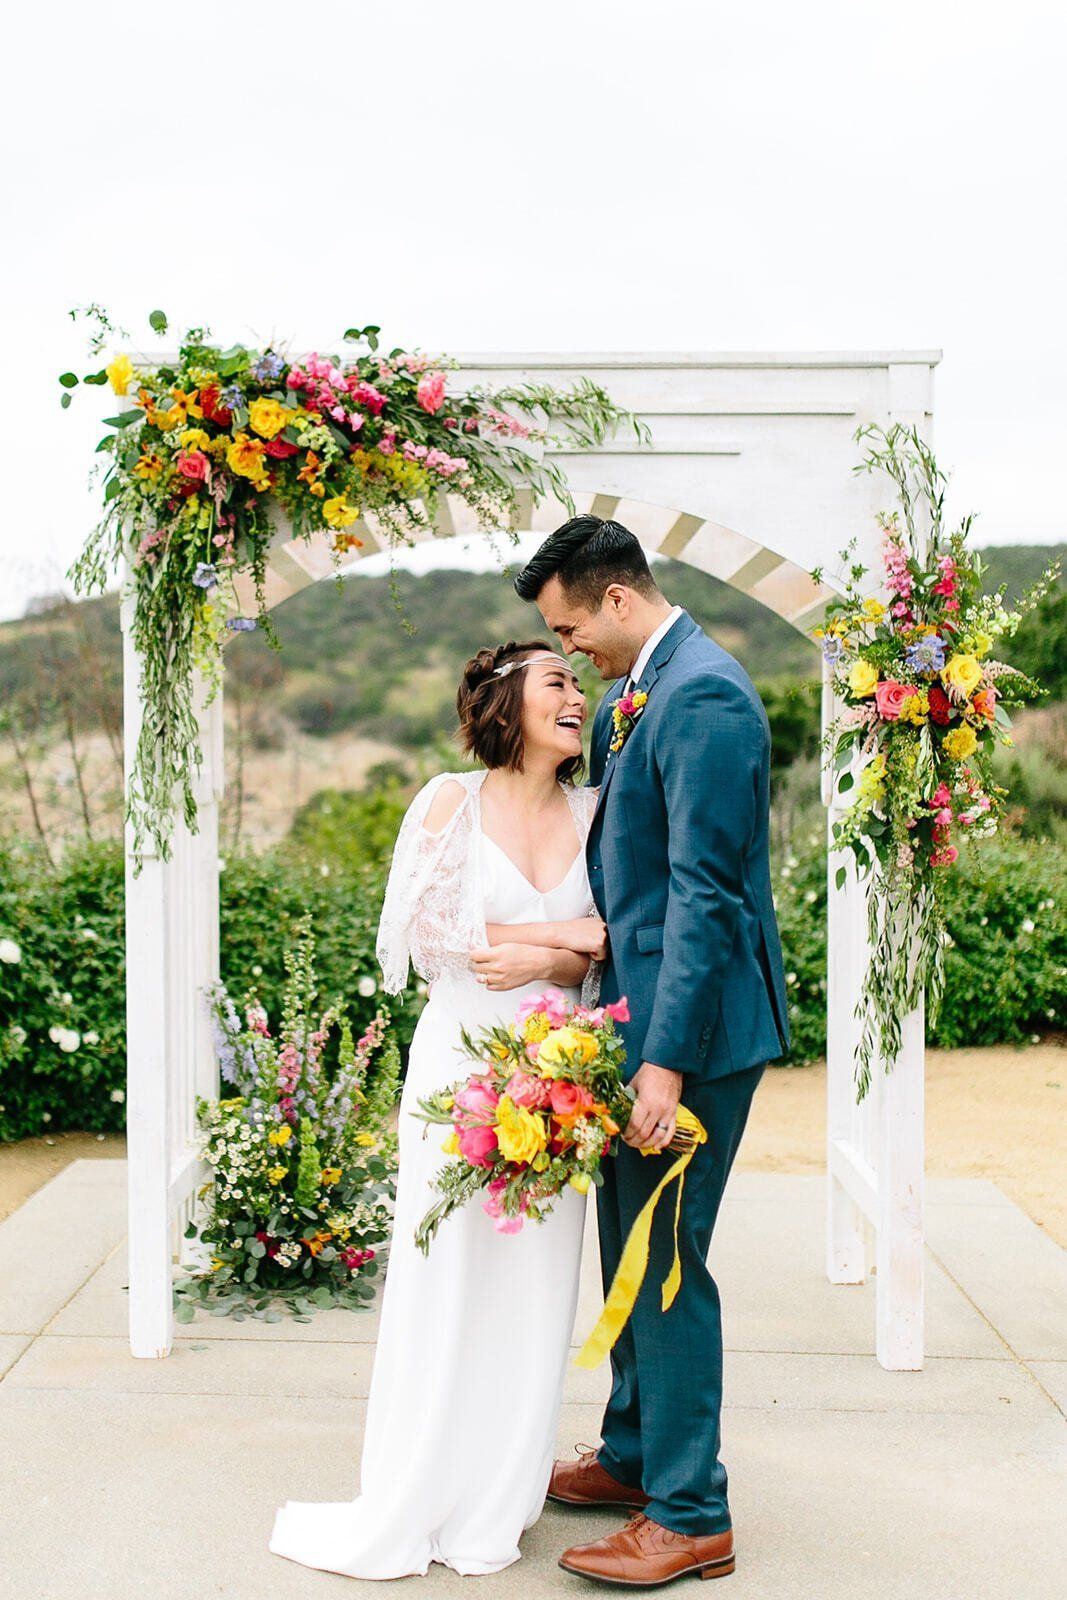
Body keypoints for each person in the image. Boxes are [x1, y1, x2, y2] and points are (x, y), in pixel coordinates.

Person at [268, 639, 609, 1579]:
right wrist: (560, 933)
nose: (576, 697)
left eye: (579, 683)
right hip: (459, 1064)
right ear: (504, 702)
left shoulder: (597, 809)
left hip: (562, 1070)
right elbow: (423, 935)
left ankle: (498, 1499)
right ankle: (418, 1487)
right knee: (448, 1272)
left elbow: (612, 946)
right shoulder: (446, 801)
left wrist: (556, 957)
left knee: (536, 1285)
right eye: (555, 682)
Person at [515, 514, 790, 1588]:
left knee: (666, 1263)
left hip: (694, 1034)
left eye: (569, 627)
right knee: (626, 1245)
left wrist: (662, 1061)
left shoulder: (704, 695)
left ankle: (689, 1513)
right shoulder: (651, 686)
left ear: (617, 600)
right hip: (644, 1021)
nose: (570, 649)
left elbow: (705, 898)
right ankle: (634, 1454)